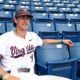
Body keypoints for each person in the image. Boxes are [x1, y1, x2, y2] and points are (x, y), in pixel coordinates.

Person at [0, 8, 73, 80]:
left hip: (31, 75)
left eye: (28, 18)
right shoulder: (5, 38)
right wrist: (5, 76)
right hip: (13, 75)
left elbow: (44, 42)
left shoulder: (33, 36)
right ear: (15, 20)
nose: (25, 21)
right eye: (22, 18)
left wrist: (62, 41)